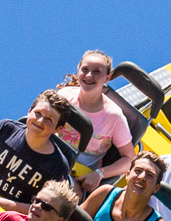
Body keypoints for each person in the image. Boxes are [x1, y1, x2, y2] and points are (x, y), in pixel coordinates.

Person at [55, 50, 135, 194]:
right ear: (78, 70)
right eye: (85, 70)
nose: (89, 76)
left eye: (97, 72)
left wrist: (99, 174)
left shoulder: (114, 116)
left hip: (75, 176)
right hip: (49, 157)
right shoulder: (64, 97)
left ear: (107, 78)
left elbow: (129, 159)